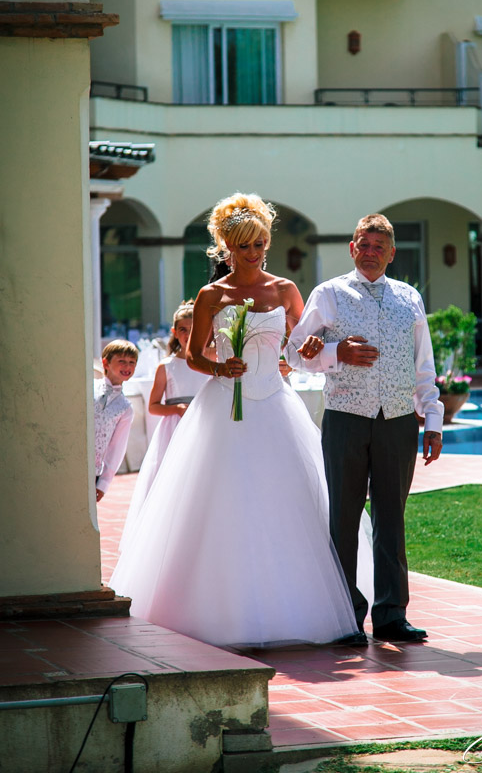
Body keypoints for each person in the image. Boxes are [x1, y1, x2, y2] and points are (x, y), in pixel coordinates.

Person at [110, 193, 358, 648]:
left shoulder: (285, 290)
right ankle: (217, 611)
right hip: (223, 407)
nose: (255, 253)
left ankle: (296, 610)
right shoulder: (211, 295)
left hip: (275, 406)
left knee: (285, 500)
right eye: (244, 246)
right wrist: (221, 368)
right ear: (227, 247)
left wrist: (299, 355)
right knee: (222, 501)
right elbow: (194, 354)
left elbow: (305, 344)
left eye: (260, 243)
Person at [285, 214, 444, 645]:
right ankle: (344, 617)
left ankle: (392, 615)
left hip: (396, 421)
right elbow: (294, 354)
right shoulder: (329, 293)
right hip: (346, 420)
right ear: (352, 249)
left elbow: (423, 366)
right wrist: (336, 352)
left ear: (392, 253)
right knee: (344, 518)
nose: (371, 252)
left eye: (379, 246)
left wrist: (432, 421)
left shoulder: (409, 298)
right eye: (364, 244)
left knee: (392, 519)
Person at [119, 301, 210, 548]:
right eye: (182, 329)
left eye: (193, 328)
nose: (188, 334)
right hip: (175, 429)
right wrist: (177, 409)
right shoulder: (166, 366)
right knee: (172, 480)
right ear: (174, 332)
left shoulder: (210, 362)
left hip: (204, 427)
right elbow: (153, 406)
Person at [94, 340, 138, 502]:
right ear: (105, 362)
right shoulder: (89, 387)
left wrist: (103, 483)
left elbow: (117, 448)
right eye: (122, 361)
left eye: (132, 363)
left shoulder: (125, 408)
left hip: (94, 470)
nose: (127, 367)